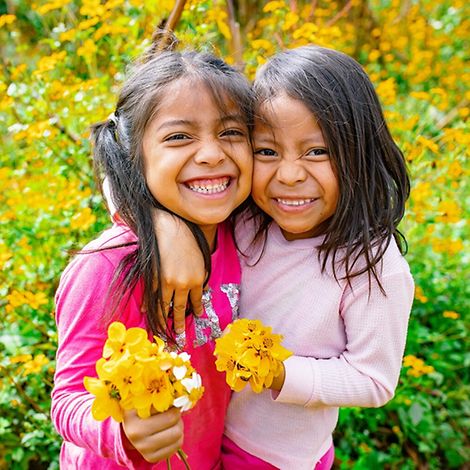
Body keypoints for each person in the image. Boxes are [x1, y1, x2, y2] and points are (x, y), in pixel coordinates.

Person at [154, 45, 414, 469]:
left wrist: (279, 372)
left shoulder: (371, 266)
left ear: (360, 154)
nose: (289, 175)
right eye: (267, 152)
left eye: (317, 152)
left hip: (275, 458)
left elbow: (374, 380)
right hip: (206, 435)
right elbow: (127, 173)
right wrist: (166, 228)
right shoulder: (246, 221)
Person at [50, 35, 254, 469]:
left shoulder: (246, 236)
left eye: (231, 132)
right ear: (134, 156)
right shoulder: (105, 266)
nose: (213, 153)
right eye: (179, 136)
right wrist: (119, 431)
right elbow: (67, 400)